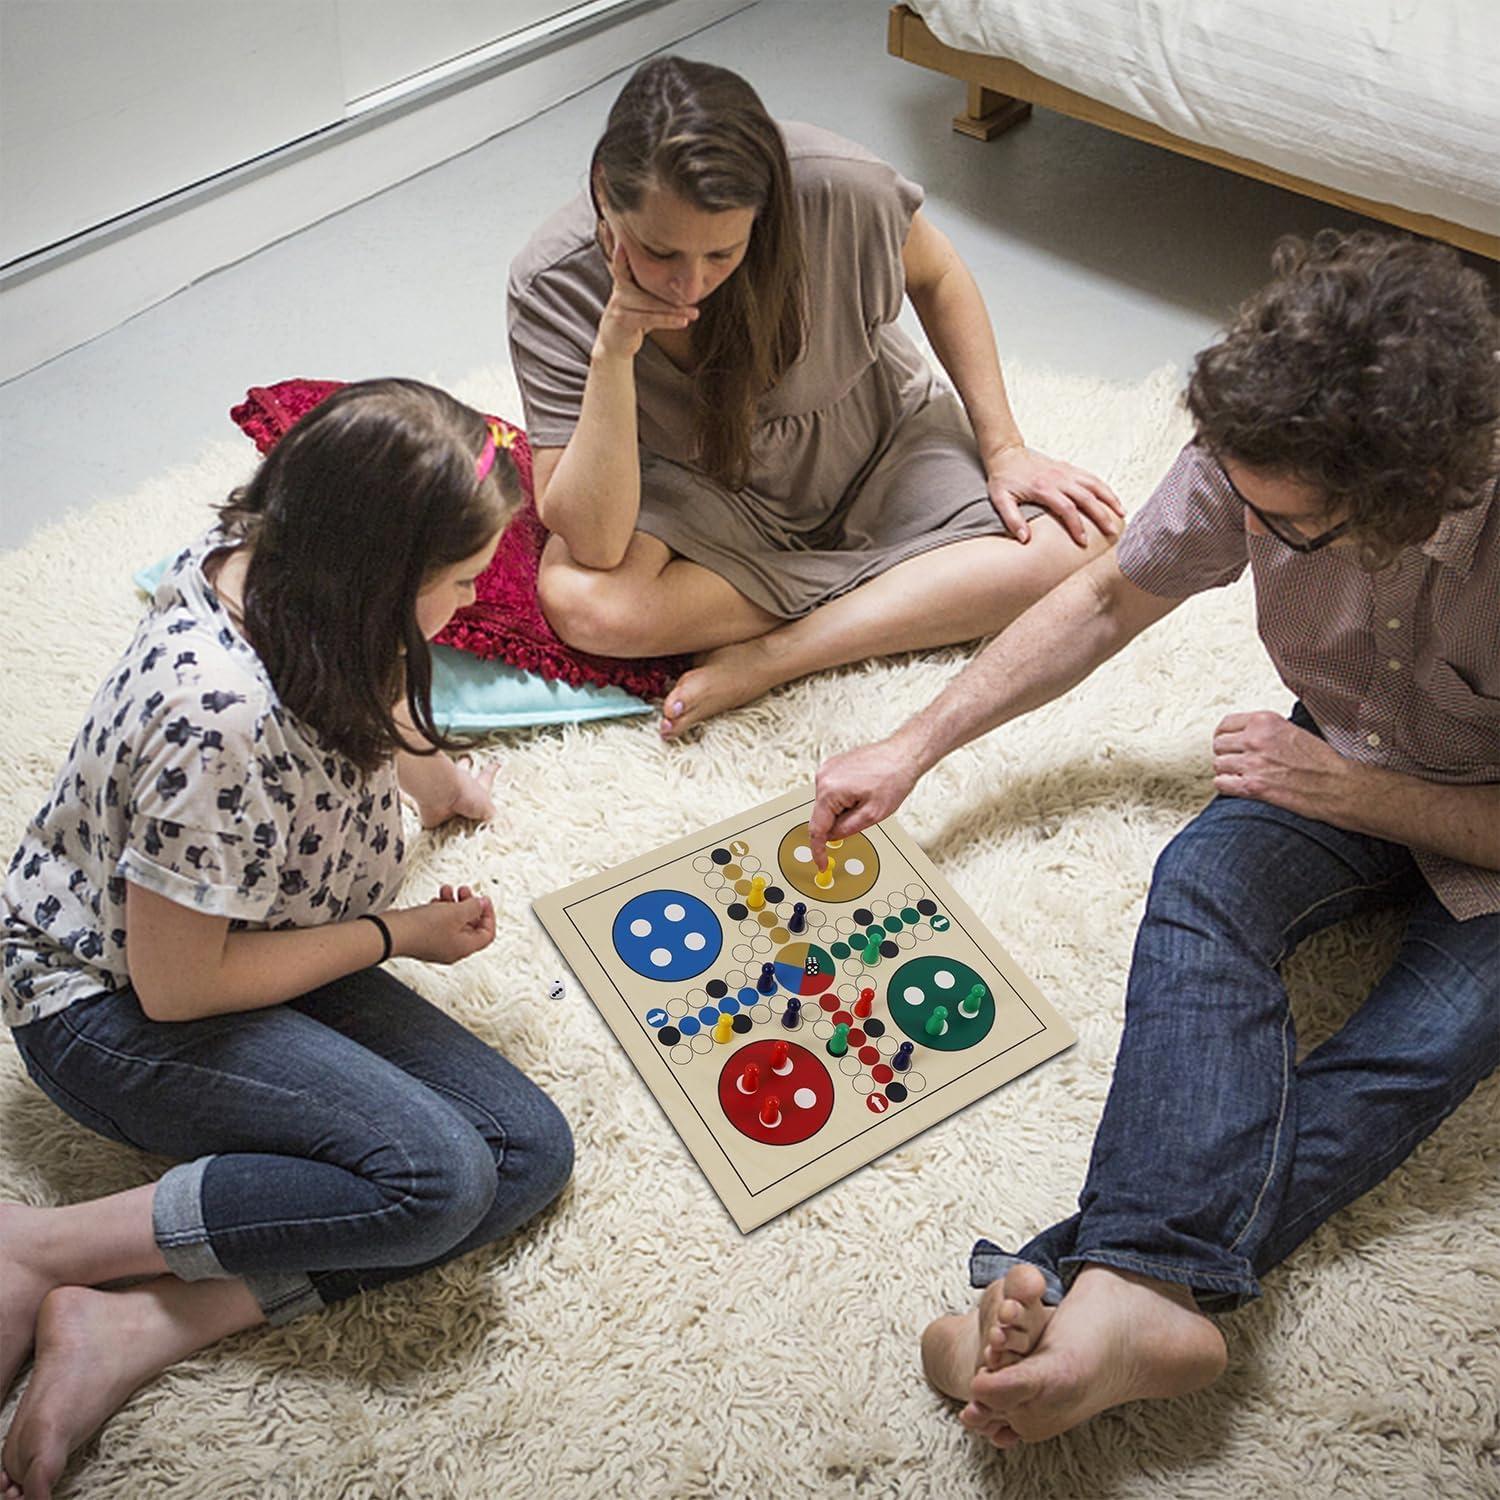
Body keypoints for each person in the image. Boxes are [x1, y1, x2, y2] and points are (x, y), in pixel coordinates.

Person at [807, 231, 1500, 1447]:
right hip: (1349, 743)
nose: (1240, 519)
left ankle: (1067, 1281)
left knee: (1420, 1047)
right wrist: (911, 745)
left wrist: (1353, 795)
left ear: (1409, 498)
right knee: (1201, 885)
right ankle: (1136, 1304)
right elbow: (1107, 595)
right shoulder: (1260, 446)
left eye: (1278, 523)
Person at [0, 380, 574, 1499]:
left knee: (527, 1154)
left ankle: (147, 1326)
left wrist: (446, 785)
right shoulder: (215, 717)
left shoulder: (307, 574)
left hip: (264, 928)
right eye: (459, 584)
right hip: (113, 1005)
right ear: (379, 580)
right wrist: (394, 932)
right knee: (439, 1179)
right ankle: (38, 1249)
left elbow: (372, 691)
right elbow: (177, 989)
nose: (470, 606)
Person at [508, 56, 1124, 739]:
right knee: (584, 603)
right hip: (704, 489)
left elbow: (939, 273)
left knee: (1086, 540)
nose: (689, 285)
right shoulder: (551, 282)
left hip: (877, 440)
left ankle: (785, 651)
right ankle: (916, 590)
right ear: (604, 191)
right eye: (660, 252)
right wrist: (613, 352)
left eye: (722, 253)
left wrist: (1005, 448)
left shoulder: (837, 185)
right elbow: (592, 541)